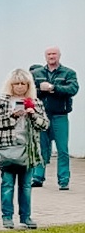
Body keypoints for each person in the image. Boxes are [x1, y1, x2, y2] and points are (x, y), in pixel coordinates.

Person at [0, 70, 49, 229]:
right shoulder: (2, 101)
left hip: (28, 151)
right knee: (7, 185)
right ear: (11, 85)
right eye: (16, 83)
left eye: (24, 83)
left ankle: (26, 217)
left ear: (29, 85)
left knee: (26, 186)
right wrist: (13, 116)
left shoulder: (35, 102)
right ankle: (7, 217)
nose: (20, 87)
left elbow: (45, 125)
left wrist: (33, 115)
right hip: (8, 149)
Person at [30, 47, 78, 191]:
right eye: (49, 54)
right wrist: (41, 90)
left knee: (62, 149)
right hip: (41, 115)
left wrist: (53, 88)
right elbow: (29, 92)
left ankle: (63, 180)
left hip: (60, 115)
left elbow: (73, 89)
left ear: (59, 56)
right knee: (41, 148)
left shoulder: (68, 73)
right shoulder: (36, 73)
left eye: (54, 54)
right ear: (45, 56)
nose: (51, 56)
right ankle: (37, 178)